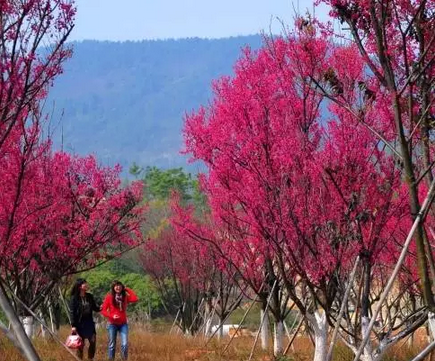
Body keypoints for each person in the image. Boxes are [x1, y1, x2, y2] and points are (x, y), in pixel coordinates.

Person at [101, 280, 138, 360]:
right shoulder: (109, 297)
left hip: (123, 324)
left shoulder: (125, 297)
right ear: (113, 288)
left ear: (122, 287)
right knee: (112, 344)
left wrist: (127, 289)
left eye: (119, 285)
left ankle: (124, 359)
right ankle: (111, 359)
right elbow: (103, 311)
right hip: (112, 324)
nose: (118, 287)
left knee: (125, 344)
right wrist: (111, 315)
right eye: (116, 286)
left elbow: (135, 298)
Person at [69, 278, 100, 360]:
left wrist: (102, 307)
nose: (86, 285)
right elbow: (72, 313)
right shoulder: (74, 298)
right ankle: (79, 359)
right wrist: (73, 325)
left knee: (93, 341)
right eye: (84, 284)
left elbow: (94, 308)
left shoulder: (89, 296)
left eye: (86, 283)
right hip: (79, 324)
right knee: (80, 345)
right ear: (79, 286)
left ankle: (91, 358)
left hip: (89, 323)